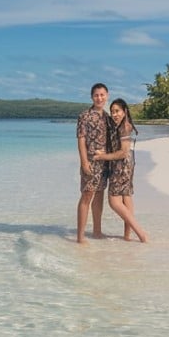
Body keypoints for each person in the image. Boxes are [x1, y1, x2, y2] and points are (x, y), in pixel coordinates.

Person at [92, 98, 147, 243]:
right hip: (128, 166)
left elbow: (123, 152)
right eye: (112, 111)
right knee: (126, 198)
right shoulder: (122, 125)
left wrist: (102, 156)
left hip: (121, 166)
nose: (114, 114)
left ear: (125, 111)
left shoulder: (124, 128)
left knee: (114, 202)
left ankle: (141, 234)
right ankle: (127, 236)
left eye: (117, 111)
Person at [76, 83, 111, 243]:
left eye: (102, 94)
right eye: (96, 95)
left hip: (103, 164)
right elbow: (81, 139)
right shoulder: (84, 116)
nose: (99, 98)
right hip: (89, 162)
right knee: (86, 195)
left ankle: (97, 231)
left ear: (107, 96)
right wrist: (84, 162)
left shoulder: (108, 117)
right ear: (92, 97)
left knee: (99, 196)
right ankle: (80, 236)